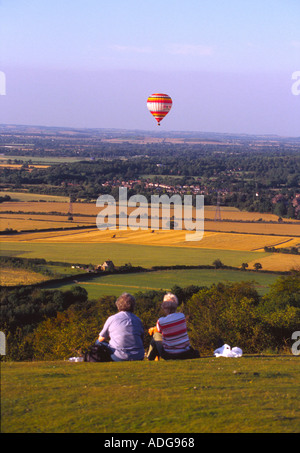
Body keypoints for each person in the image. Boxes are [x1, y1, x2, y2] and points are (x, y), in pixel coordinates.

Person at [147, 293, 199, 361]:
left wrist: (152, 329)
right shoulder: (182, 316)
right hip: (186, 353)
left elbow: (158, 330)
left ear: (164, 307)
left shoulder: (161, 321)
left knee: (156, 335)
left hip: (170, 355)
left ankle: (149, 358)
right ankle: (150, 358)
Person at [95, 292, 145, 362]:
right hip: (138, 356)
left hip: (119, 356)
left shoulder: (112, 318)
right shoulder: (138, 320)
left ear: (118, 305)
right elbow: (141, 338)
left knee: (98, 342)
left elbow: (101, 338)